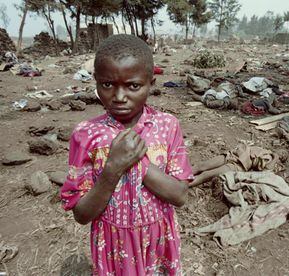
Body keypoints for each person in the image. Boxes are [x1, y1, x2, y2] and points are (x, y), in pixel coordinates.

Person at [60, 34, 193, 275]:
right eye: (108, 85)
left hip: (158, 241)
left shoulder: (167, 126)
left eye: (133, 86)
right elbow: (81, 214)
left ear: (151, 83)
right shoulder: (85, 134)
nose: (119, 97)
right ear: (96, 81)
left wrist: (137, 160)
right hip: (112, 245)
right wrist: (112, 169)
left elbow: (180, 195)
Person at [191, 144, 276, 187]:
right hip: (233, 156)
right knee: (202, 165)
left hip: (238, 167)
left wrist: (276, 157)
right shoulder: (263, 150)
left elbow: (264, 170)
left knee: (206, 175)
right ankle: (179, 173)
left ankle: (184, 185)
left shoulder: (270, 162)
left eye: (283, 155)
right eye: (282, 152)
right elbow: (246, 147)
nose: (282, 153)